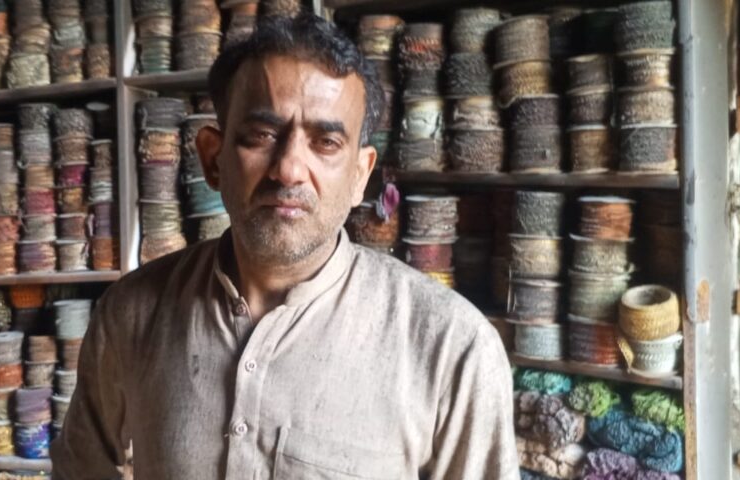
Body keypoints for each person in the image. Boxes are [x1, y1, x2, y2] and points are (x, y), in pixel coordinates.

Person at [52, 14, 518, 479]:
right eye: (262, 135)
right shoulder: (131, 313)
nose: (289, 169)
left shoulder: (453, 347)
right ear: (213, 159)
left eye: (326, 142)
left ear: (360, 175)